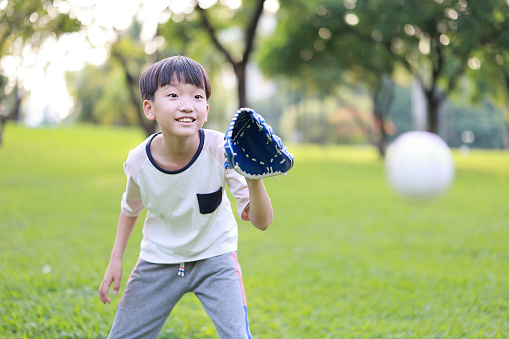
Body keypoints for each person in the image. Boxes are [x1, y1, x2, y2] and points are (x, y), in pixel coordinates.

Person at [98, 55, 273, 339]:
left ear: (206, 108)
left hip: (215, 258)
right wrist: (115, 259)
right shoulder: (138, 161)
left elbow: (262, 222)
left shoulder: (222, 149)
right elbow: (130, 208)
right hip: (158, 259)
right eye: (173, 94)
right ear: (149, 108)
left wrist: (254, 178)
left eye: (197, 95)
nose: (186, 104)